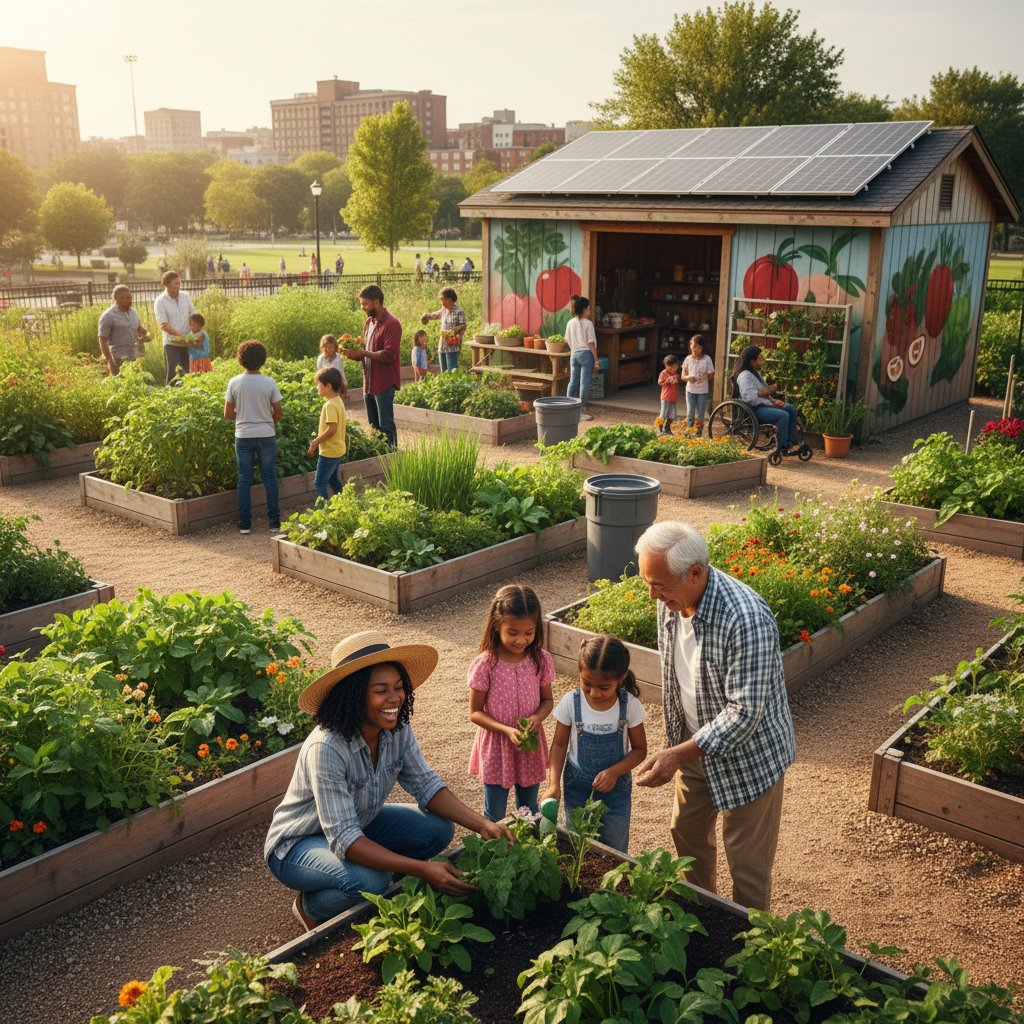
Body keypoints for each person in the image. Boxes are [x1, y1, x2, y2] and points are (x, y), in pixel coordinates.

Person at [265, 630, 513, 929]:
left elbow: (426, 785)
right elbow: (345, 838)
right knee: (370, 881)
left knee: (437, 829)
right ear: (354, 696)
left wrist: (483, 823)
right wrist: (423, 869)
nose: (394, 698)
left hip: (359, 823)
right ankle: (311, 907)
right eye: (381, 690)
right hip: (297, 843)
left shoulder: (397, 728)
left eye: (398, 687)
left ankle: (375, 873)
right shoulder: (327, 747)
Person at [634, 520, 796, 911]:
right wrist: (679, 745)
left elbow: (745, 713)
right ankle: (705, 917)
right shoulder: (672, 599)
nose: (653, 595)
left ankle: (752, 949)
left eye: (659, 585)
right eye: (646, 582)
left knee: (748, 865)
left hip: (749, 758)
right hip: (695, 746)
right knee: (687, 837)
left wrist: (678, 753)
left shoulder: (746, 617)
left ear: (695, 572)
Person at [544, 636, 647, 852]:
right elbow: (559, 745)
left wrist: (614, 772)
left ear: (621, 678)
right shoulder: (571, 702)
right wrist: (553, 783)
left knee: (615, 849)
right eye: (587, 684)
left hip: (616, 789)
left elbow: (640, 750)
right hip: (577, 787)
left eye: (604, 687)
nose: (594, 693)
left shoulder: (630, 706)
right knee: (577, 846)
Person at [468, 585, 554, 822]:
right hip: (498, 745)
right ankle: (494, 854)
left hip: (529, 744)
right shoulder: (486, 664)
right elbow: (475, 712)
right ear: (497, 626)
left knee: (529, 809)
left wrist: (537, 718)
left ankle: (527, 854)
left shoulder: (541, 659)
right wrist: (506, 730)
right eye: (513, 632)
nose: (521, 640)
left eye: (529, 632)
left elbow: (547, 700)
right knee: (494, 813)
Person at [224, 340, 282, 535]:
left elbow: (228, 414)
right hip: (266, 434)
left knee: (244, 479)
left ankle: (245, 524)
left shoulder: (234, 382)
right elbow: (279, 413)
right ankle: (274, 522)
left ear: (240, 359)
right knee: (269, 477)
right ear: (263, 359)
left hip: (243, 435)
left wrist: (243, 415)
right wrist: (267, 421)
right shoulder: (269, 383)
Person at [341, 285, 401, 447]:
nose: (362, 308)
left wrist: (364, 354)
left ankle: (392, 459)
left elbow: (389, 354)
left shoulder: (392, 324)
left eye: (365, 304)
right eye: (361, 304)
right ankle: (378, 460)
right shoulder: (369, 323)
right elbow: (367, 351)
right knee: (374, 426)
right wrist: (355, 354)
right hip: (368, 382)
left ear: (376, 302)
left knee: (386, 425)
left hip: (384, 383)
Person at [734, 344, 799, 453]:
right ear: (752, 361)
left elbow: (764, 392)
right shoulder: (744, 376)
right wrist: (769, 400)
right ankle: (782, 446)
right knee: (783, 415)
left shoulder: (756, 374)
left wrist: (774, 401)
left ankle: (792, 442)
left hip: (764, 405)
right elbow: (750, 397)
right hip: (755, 409)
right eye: (759, 358)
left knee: (791, 409)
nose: (762, 360)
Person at [307, 367, 347, 502]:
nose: (317, 387)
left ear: (328, 386)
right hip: (337, 449)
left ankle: (323, 512)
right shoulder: (338, 401)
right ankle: (345, 503)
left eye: (318, 384)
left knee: (319, 482)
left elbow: (332, 429)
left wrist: (315, 442)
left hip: (329, 451)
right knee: (333, 479)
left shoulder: (329, 405)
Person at [154, 271, 197, 385]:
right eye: (175, 284)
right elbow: (163, 324)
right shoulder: (160, 301)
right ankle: (170, 395)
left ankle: (186, 394)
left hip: (187, 341)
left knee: (187, 370)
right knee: (173, 372)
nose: (178, 286)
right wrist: (180, 336)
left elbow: (193, 314)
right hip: (171, 342)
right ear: (166, 284)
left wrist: (194, 331)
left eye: (179, 283)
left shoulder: (185, 296)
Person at [98, 285, 146, 376]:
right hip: (119, 359)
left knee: (136, 385)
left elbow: (138, 329)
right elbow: (102, 341)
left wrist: (143, 333)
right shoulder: (108, 316)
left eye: (130, 298)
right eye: (127, 298)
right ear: (117, 298)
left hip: (135, 356)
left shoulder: (133, 312)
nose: (130, 300)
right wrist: (110, 362)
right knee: (120, 387)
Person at [565, 294, 599, 421]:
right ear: (584, 309)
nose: (590, 311)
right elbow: (590, 343)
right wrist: (596, 360)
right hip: (586, 354)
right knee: (584, 383)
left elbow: (567, 339)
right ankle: (581, 411)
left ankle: (568, 407)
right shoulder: (588, 324)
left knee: (573, 381)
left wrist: (575, 348)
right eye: (589, 309)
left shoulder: (570, 323)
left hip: (574, 354)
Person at [420, 287, 467, 373]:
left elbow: (463, 326)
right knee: (444, 373)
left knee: (452, 373)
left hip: (453, 347)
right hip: (442, 346)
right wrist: (425, 315)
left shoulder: (459, 312)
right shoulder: (444, 310)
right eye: (441, 300)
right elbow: (434, 315)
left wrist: (453, 332)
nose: (442, 302)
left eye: (443, 299)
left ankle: (453, 387)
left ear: (450, 299)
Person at [682, 335, 715, 433]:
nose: (693, 348)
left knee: (701, 413)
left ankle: (699, 432)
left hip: (702, 391)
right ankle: (689, 430)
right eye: (691, 345)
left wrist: (705, 375)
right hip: (690, 390)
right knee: (690, 412)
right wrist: (688, 377)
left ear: (701, 348)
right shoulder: (688, 359)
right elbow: (683, 375)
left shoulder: (707, 359)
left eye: (695, 346)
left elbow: (711, 376)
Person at [316, 334, 350, 400]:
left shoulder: (338, 358)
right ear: (322, 347)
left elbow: (341, 373)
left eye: (330, 347)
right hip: (326, 387)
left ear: (335, 348)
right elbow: (319, 376)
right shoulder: (321, 359)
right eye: (325, 347)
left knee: (337, 402)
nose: (327, 349)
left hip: (337, 386)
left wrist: (345, 389)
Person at [658, 354, 682, 434]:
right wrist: (666, 382)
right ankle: (660, 429)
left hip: (673, 398)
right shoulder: (663, 373)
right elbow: (660, 383)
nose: (672, 369)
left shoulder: (677, 375)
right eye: (670, 368)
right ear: (666, 366)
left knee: (672, 415)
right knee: (663, 414)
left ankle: (667, 428)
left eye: (675, 367)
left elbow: (678, 381)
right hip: (665, 397)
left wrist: (675, 380)